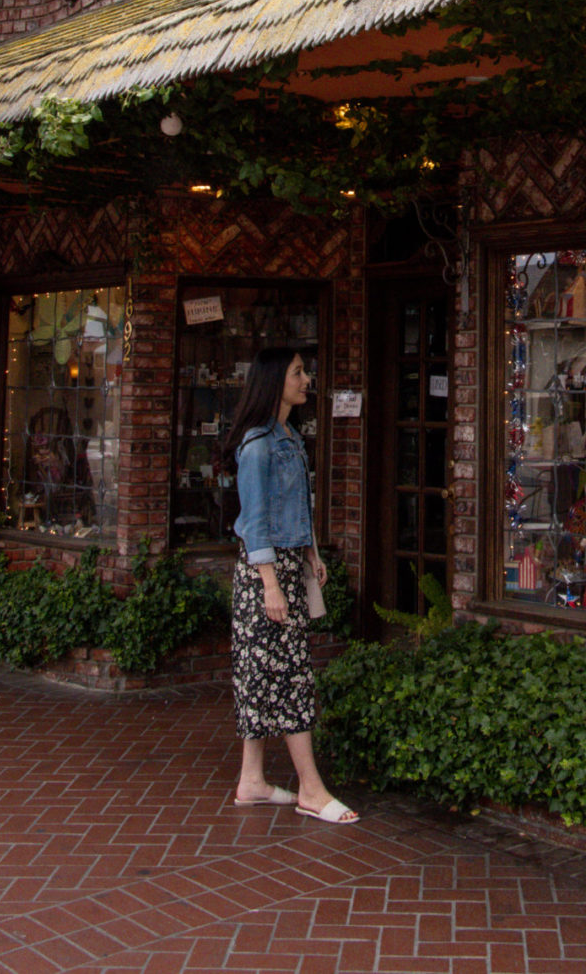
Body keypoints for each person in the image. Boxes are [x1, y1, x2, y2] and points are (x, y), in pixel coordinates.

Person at [225, 345, 358, 823]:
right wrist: (272, 585)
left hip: (285, 565)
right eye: (299, 372)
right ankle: (311, 788)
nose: (307, 379)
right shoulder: (259, 444)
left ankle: (252, 781)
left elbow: (293, 507)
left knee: (263, 675)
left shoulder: (288, 437)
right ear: (273, 381)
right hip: (265, 574)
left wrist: (310, 554)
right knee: (292, 675)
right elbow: (255, 521)